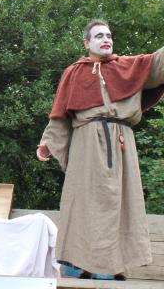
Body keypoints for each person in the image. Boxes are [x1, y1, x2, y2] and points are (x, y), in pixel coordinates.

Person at [36, 19, 164, 280]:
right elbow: (60, 114)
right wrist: (49, 142)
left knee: (120, 201)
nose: (106, 39)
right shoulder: (74, 72)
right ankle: (78, 265)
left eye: (109, 36)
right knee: (83, 200)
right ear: (87, 43)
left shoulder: (129, 66)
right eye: (99, 36)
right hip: (87, 142)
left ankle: (112, 267)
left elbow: (158, 62)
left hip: (121, 142)